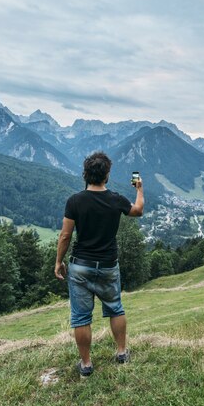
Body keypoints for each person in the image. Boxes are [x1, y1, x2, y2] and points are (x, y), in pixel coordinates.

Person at [54, 151, 144, 378]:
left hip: (80, 266)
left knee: (81, 317)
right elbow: (138, 211)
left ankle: (86, 365)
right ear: (107, 175)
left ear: (85, 174)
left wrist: (58, 262)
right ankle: (122, 353)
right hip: (107, 264)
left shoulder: (75, 201)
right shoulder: (116, 200)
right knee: (115, 307)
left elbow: (65, 236)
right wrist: (139, 189)